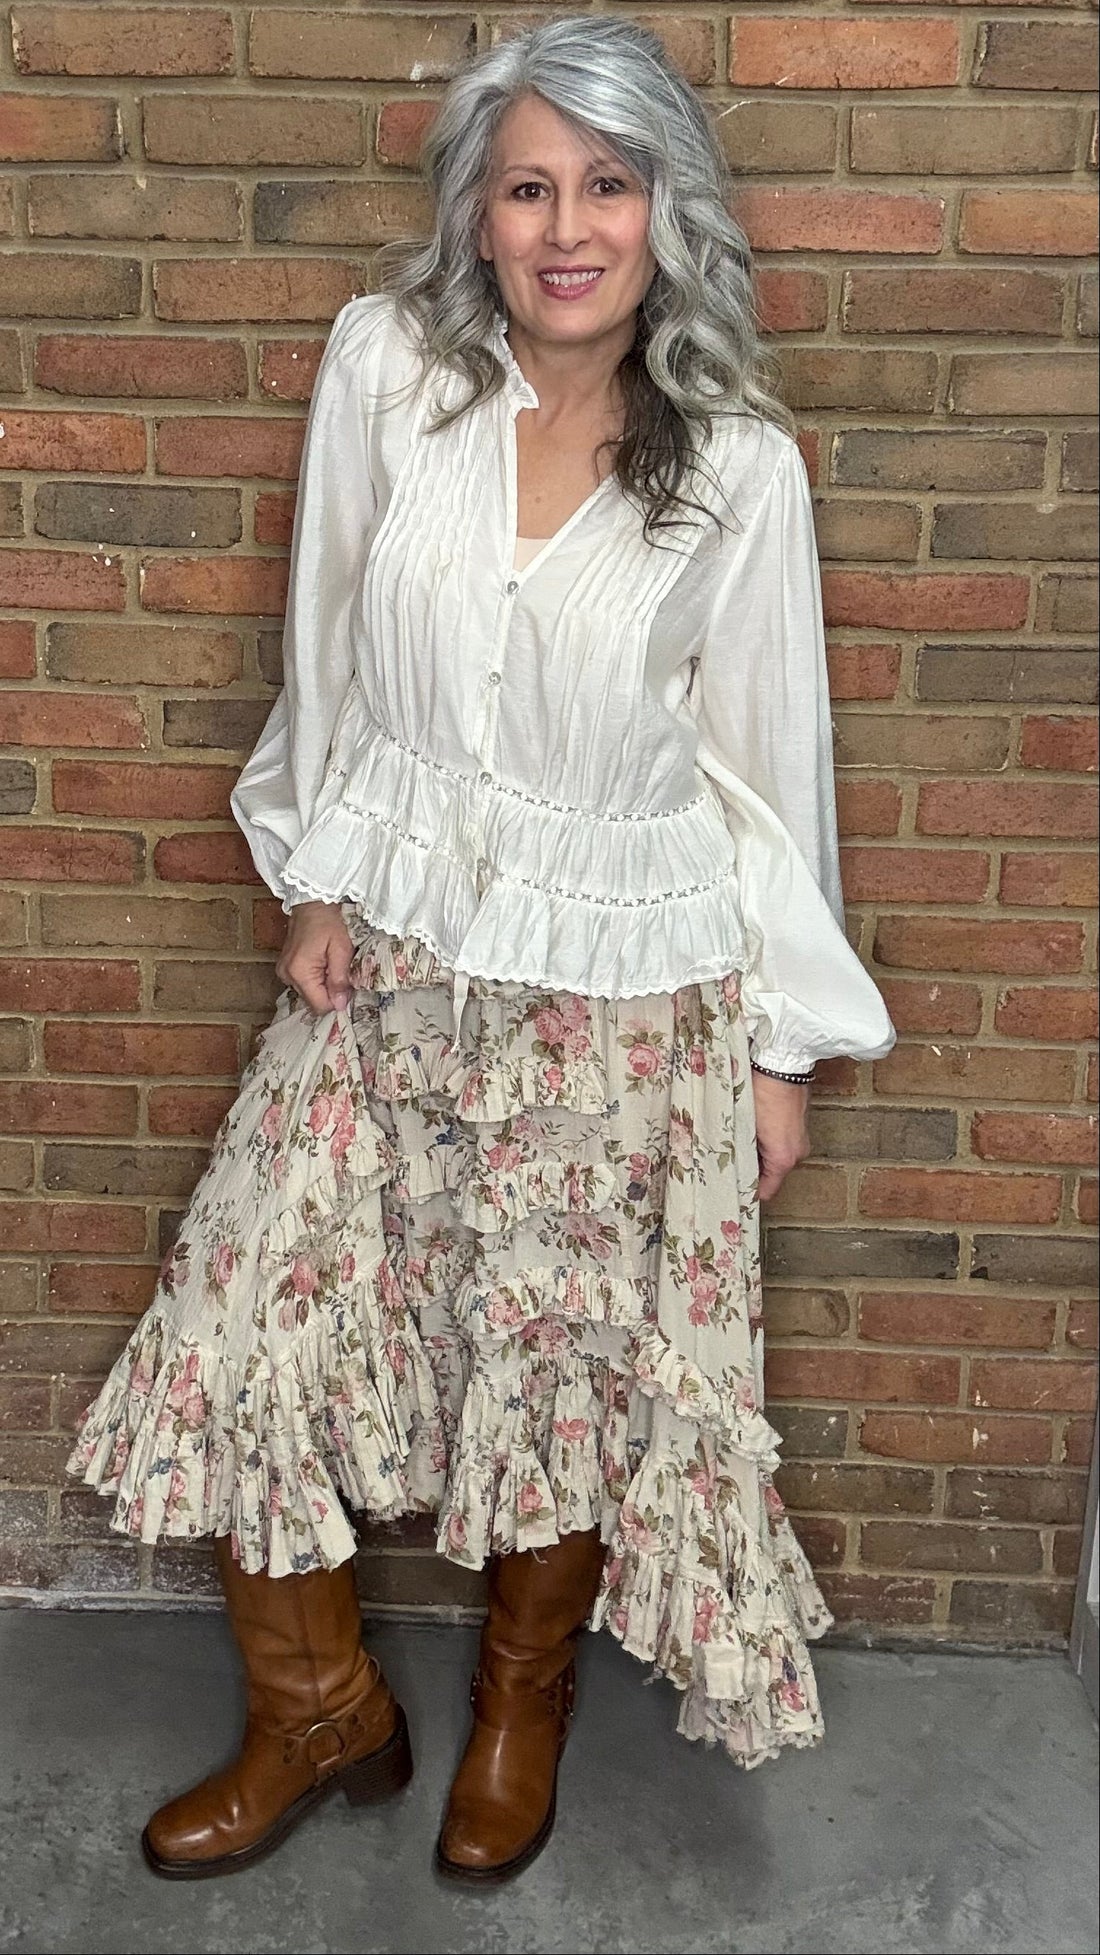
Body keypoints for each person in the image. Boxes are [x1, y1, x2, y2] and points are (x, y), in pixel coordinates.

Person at [67, 13, 895, 1886]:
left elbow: (771, 777)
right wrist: (312, 877)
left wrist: (776, 1052)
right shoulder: (387, 371)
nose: (567, 228)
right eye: (528, 187)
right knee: (245, 1318)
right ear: (477, 211)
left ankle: (524, 1703)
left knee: (563, 1368)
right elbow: (325, 648)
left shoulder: (739, 469)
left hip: (623, 988)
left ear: (669, 212)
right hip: (393, 949)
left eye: (608, 185)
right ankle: (317, 1710)